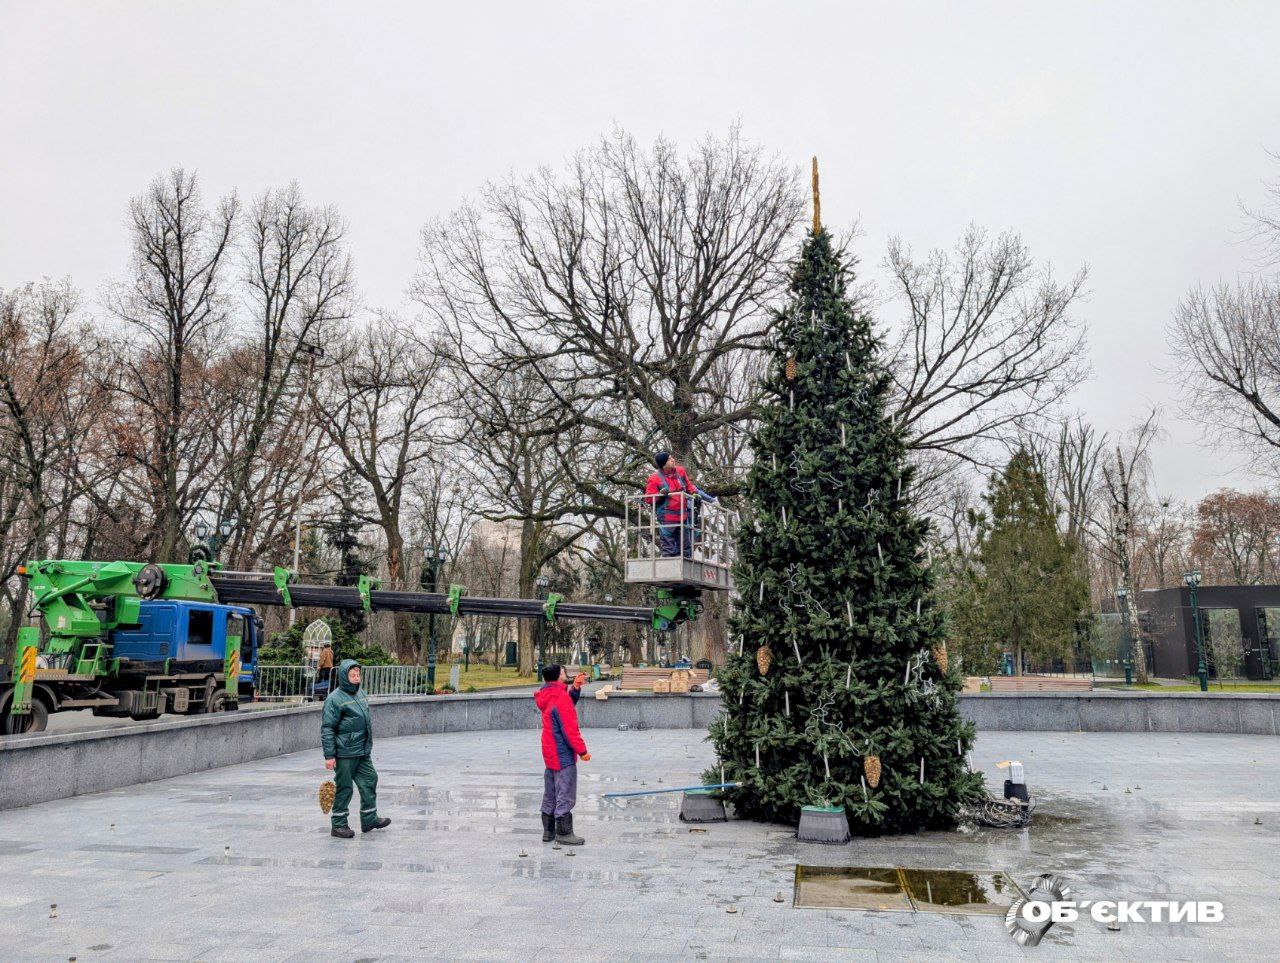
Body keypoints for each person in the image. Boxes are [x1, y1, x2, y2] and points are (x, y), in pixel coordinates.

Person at [321, 659, 390, 839]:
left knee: (370, 779)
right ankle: (338, 824)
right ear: (344, 676)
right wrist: (330, 756)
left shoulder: (360, 694)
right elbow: (328, 728)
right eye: (352, 675)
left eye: (358, 674)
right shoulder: (334, 699)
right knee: (345, 787)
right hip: (345, 752)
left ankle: (369, 819)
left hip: (361, 750)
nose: (356, 678)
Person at [534, 663, 589, 845]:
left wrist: (575, 688)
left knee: (551, 791)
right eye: (564, 672)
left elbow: (562, 706)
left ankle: (548, 832)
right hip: (562, 752)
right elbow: (569, 729)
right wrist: (582, 751)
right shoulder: (560, 698)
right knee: (565, 791)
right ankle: (564, 833)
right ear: (558, 676)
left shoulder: (548, 693)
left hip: (549, 751)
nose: (567, 674)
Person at [644, 452, 715, 557]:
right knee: (668, 547)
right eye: (669, 459)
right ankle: (669, 568)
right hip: (667, 518)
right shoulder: (654, 478)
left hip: (683, 516)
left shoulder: (680, 471)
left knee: (686, 546)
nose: (672, 460)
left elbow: (689, 486)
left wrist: (694, 494)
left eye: (672, 457)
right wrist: (660, 494)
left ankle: (686, 565)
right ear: (663, 464)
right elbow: (648, 499)